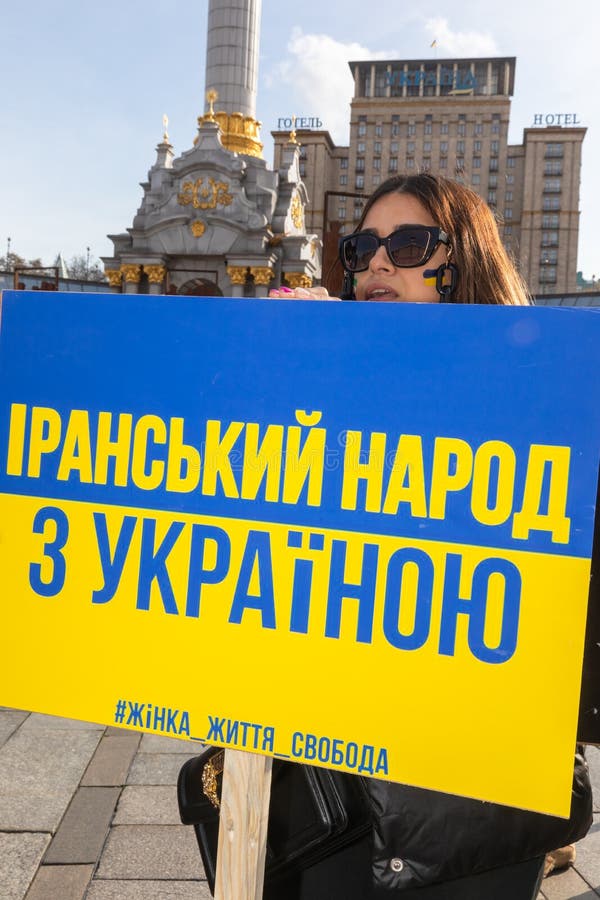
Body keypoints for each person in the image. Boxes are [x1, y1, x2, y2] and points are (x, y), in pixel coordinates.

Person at [180, 174, 592, 899]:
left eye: (408, 245)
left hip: (468, 814)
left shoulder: (545, 412)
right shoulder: (321, 389)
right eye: (364, 246)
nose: (376, 262)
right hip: (325, 798)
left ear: (463, 263)